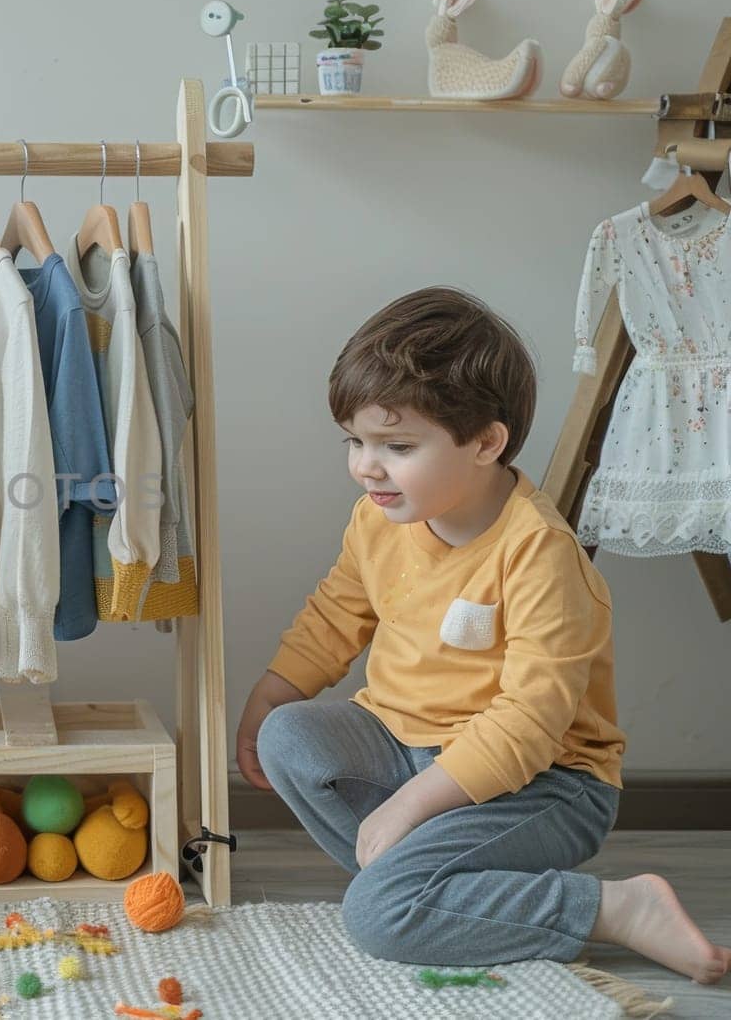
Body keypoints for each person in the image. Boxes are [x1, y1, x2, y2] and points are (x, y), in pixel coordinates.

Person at [236, 287, 729, 984]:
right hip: (406, 747)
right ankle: (437, 890)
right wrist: (270, 693)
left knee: (376, 915)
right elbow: (335, 614)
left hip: (546, 781)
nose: (365, 466)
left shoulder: (539, 554)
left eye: (396, 445)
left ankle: (611, 907)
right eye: (356, 440)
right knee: (289, 734)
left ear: (485, 442)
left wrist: (411, 803)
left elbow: (530, 724)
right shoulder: (378, 519)